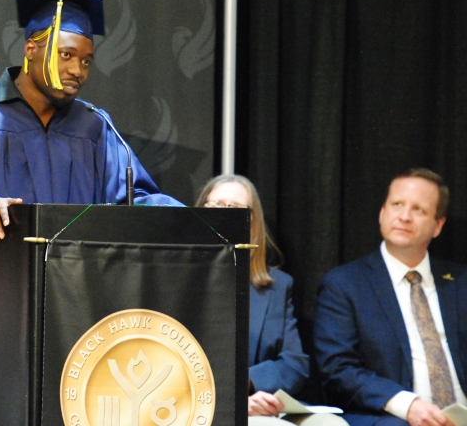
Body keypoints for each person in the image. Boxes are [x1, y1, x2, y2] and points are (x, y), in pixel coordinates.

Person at [0, 0, 181, 241]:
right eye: (66, 55)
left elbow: (133, 197)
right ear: (30, 49)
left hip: (73, 272)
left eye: (86, 61)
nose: (77, 70)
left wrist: (191, 217)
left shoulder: (93, 124)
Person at [314, 168, 466, 426]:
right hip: (394, 418)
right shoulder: (345, 285)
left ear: (438, 225)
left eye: (418, 209)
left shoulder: (461, 282)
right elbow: (338, 368)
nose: (405, 217)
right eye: (397, 205)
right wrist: (408, 405)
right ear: (382, 213)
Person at [198, 174, 346, 426]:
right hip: (196, 402)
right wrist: (229, 397)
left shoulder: (277, 287)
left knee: (332, 424)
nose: (223, 215)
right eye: (214, 206)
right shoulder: (176, 279)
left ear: (253, 225)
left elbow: (294, 363)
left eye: (234, 209)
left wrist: (246, 382)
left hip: (257, 401)